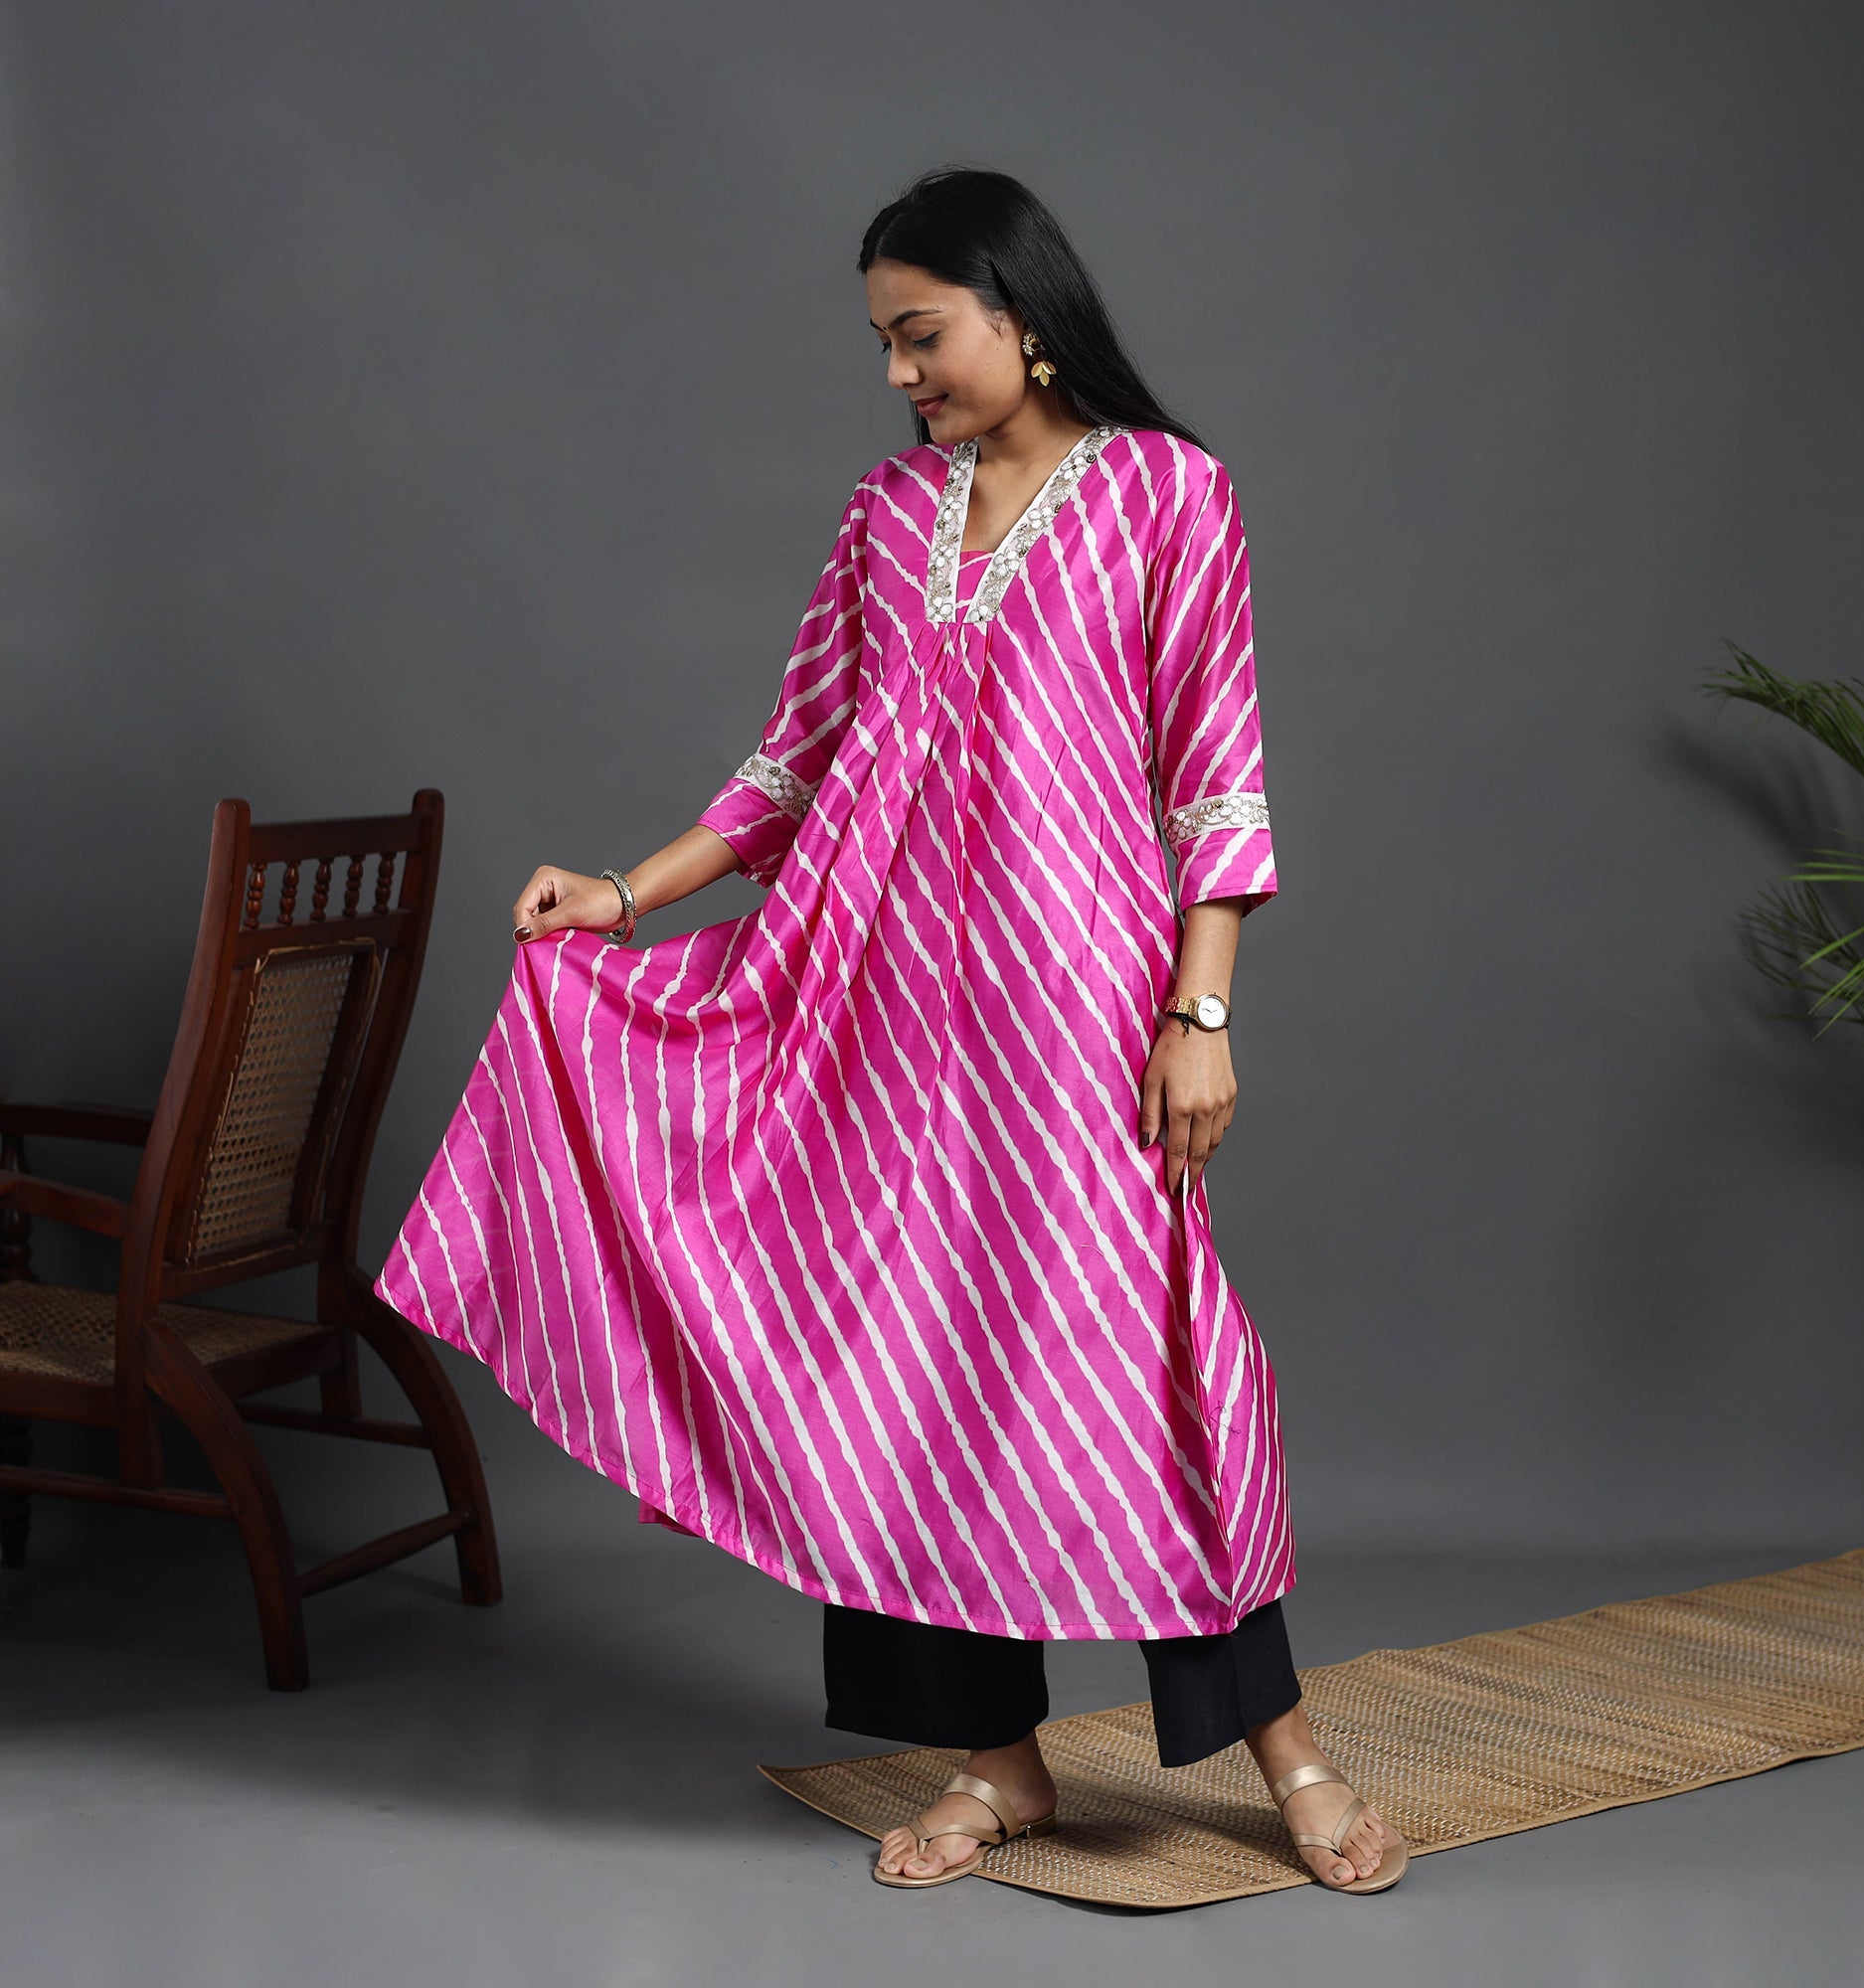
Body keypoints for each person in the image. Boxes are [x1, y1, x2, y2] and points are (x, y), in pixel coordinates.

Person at [378, 166, 1407, 1897]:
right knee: (887, 1368)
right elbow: (795, 758)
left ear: (1023, 315)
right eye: (883, 342)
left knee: (1144, 1359)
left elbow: (1213, 774)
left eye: (921, 334)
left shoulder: (1169, 494)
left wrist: (1201, 1010)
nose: (898, 373)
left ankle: (1285, 1748)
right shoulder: (885, 513)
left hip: (1078, 1015)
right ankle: (996, 1764)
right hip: (872, 1013)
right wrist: (625, 894)